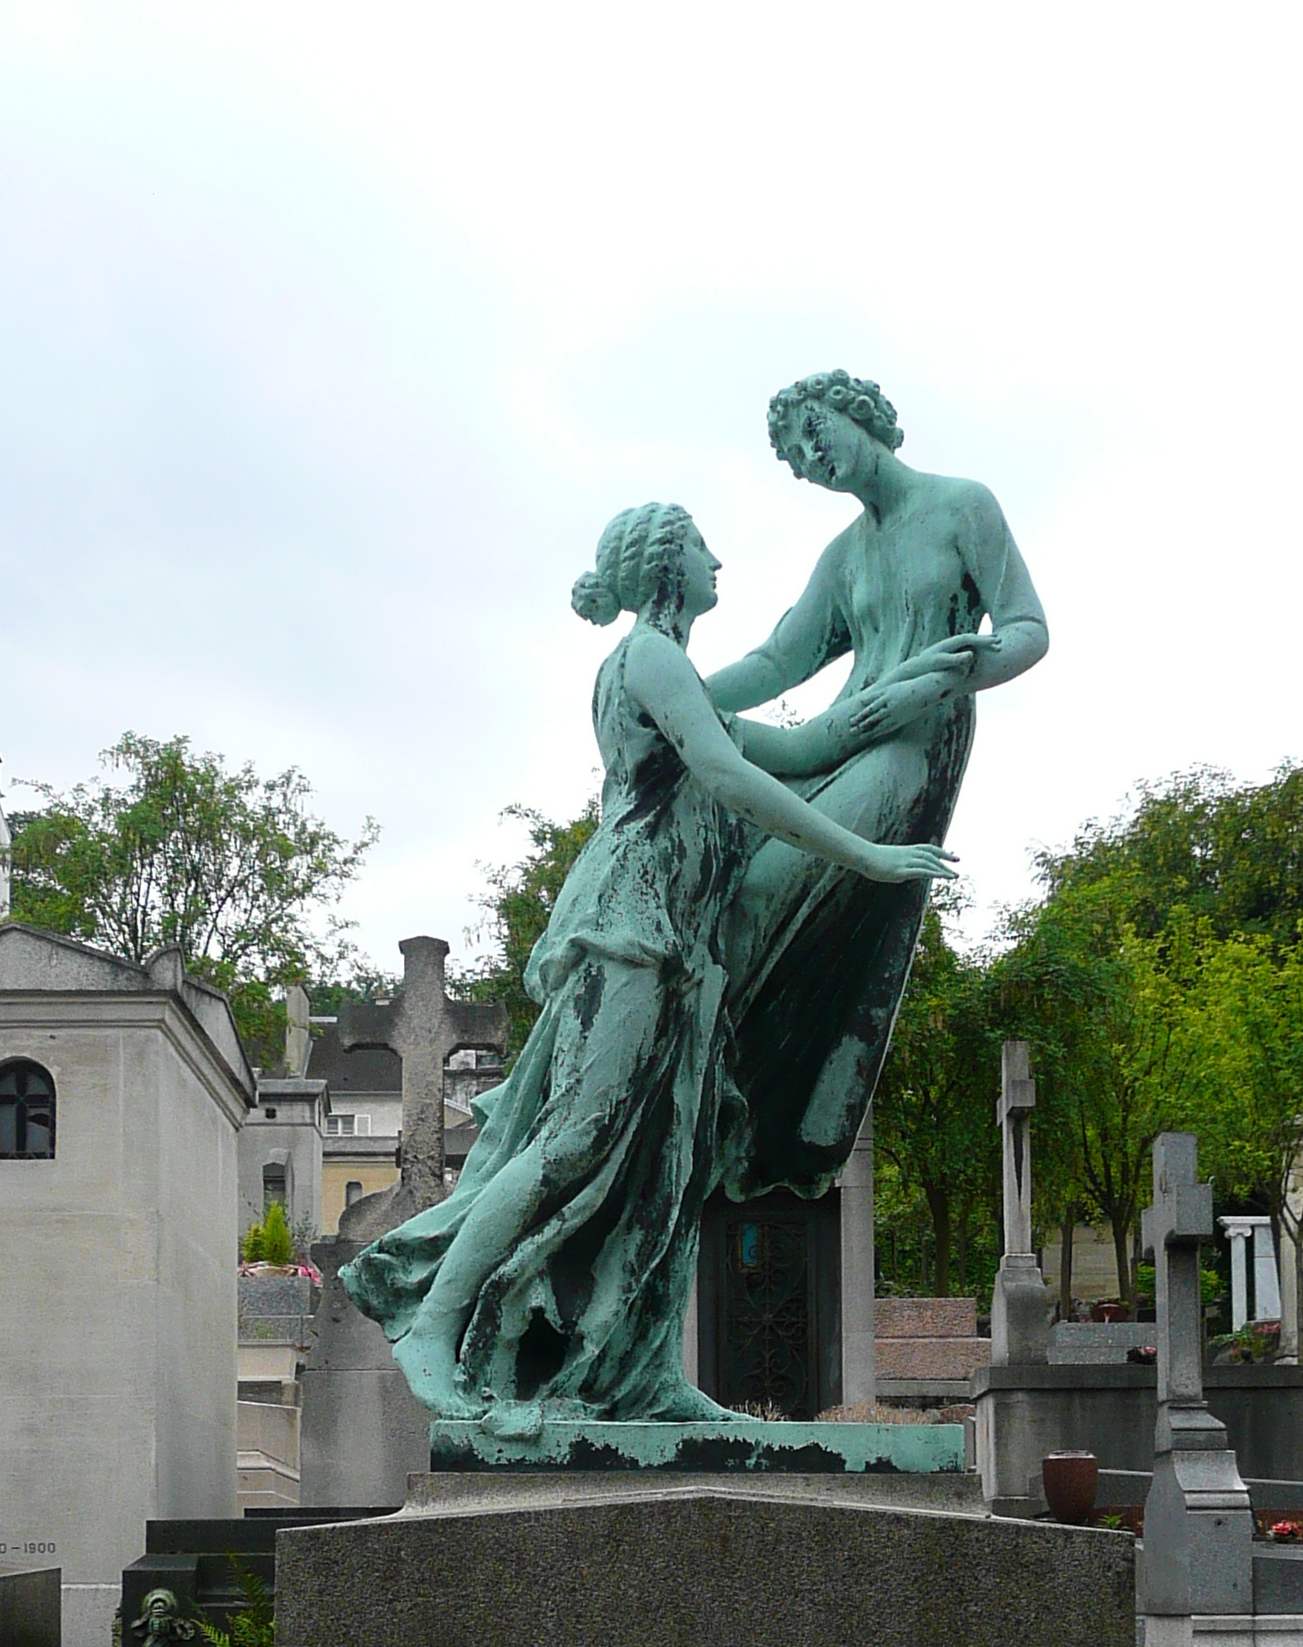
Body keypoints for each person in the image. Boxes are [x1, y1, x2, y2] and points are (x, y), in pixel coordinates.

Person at [343, 503, 952, 1433]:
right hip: (630, 925)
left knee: (670, 1158)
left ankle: (640, 1374)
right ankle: (431, 1323)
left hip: (683, 945)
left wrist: (904, 694)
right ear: (672, 565)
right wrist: (865, 859)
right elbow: (731, 773)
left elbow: (802, 750)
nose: (720, 563)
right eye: (706, 548)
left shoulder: (680, 675)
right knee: (575, 1141)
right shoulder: (649, 658)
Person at [702, 371, 1048, 1194]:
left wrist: (942, 682)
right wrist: (677, 697)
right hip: (836, 738)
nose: (811, 460)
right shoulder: (845, 554)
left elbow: (1028, 631)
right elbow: (780, 659)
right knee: (726, 879)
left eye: (814, 434)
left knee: (773, 884)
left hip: (914, 750)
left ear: (858, 415)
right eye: (795, 459)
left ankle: (725, 1071)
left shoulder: (965, 505)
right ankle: (703, 1077)